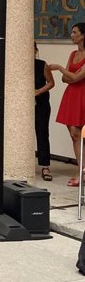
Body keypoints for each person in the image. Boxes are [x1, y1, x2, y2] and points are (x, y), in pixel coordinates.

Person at [49, 21, 85, 186]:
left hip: (82, 94)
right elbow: (67, 78)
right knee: (74, 134)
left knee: (80, 134)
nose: (72, 35)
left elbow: (75, 78)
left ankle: (82, 172)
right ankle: (81, 169)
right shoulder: (73, 54)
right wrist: (69, 74)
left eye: (75, 32)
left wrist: (59, 68)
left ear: (83, 35)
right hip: (72, 95)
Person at [34, 42, 54, 180]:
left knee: (42, 132)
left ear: (35, 50)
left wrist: (38, 91)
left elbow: (51, 82)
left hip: (41, 103)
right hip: (22, 105)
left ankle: (45, 166)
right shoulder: (16, 65)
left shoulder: (42, 64)